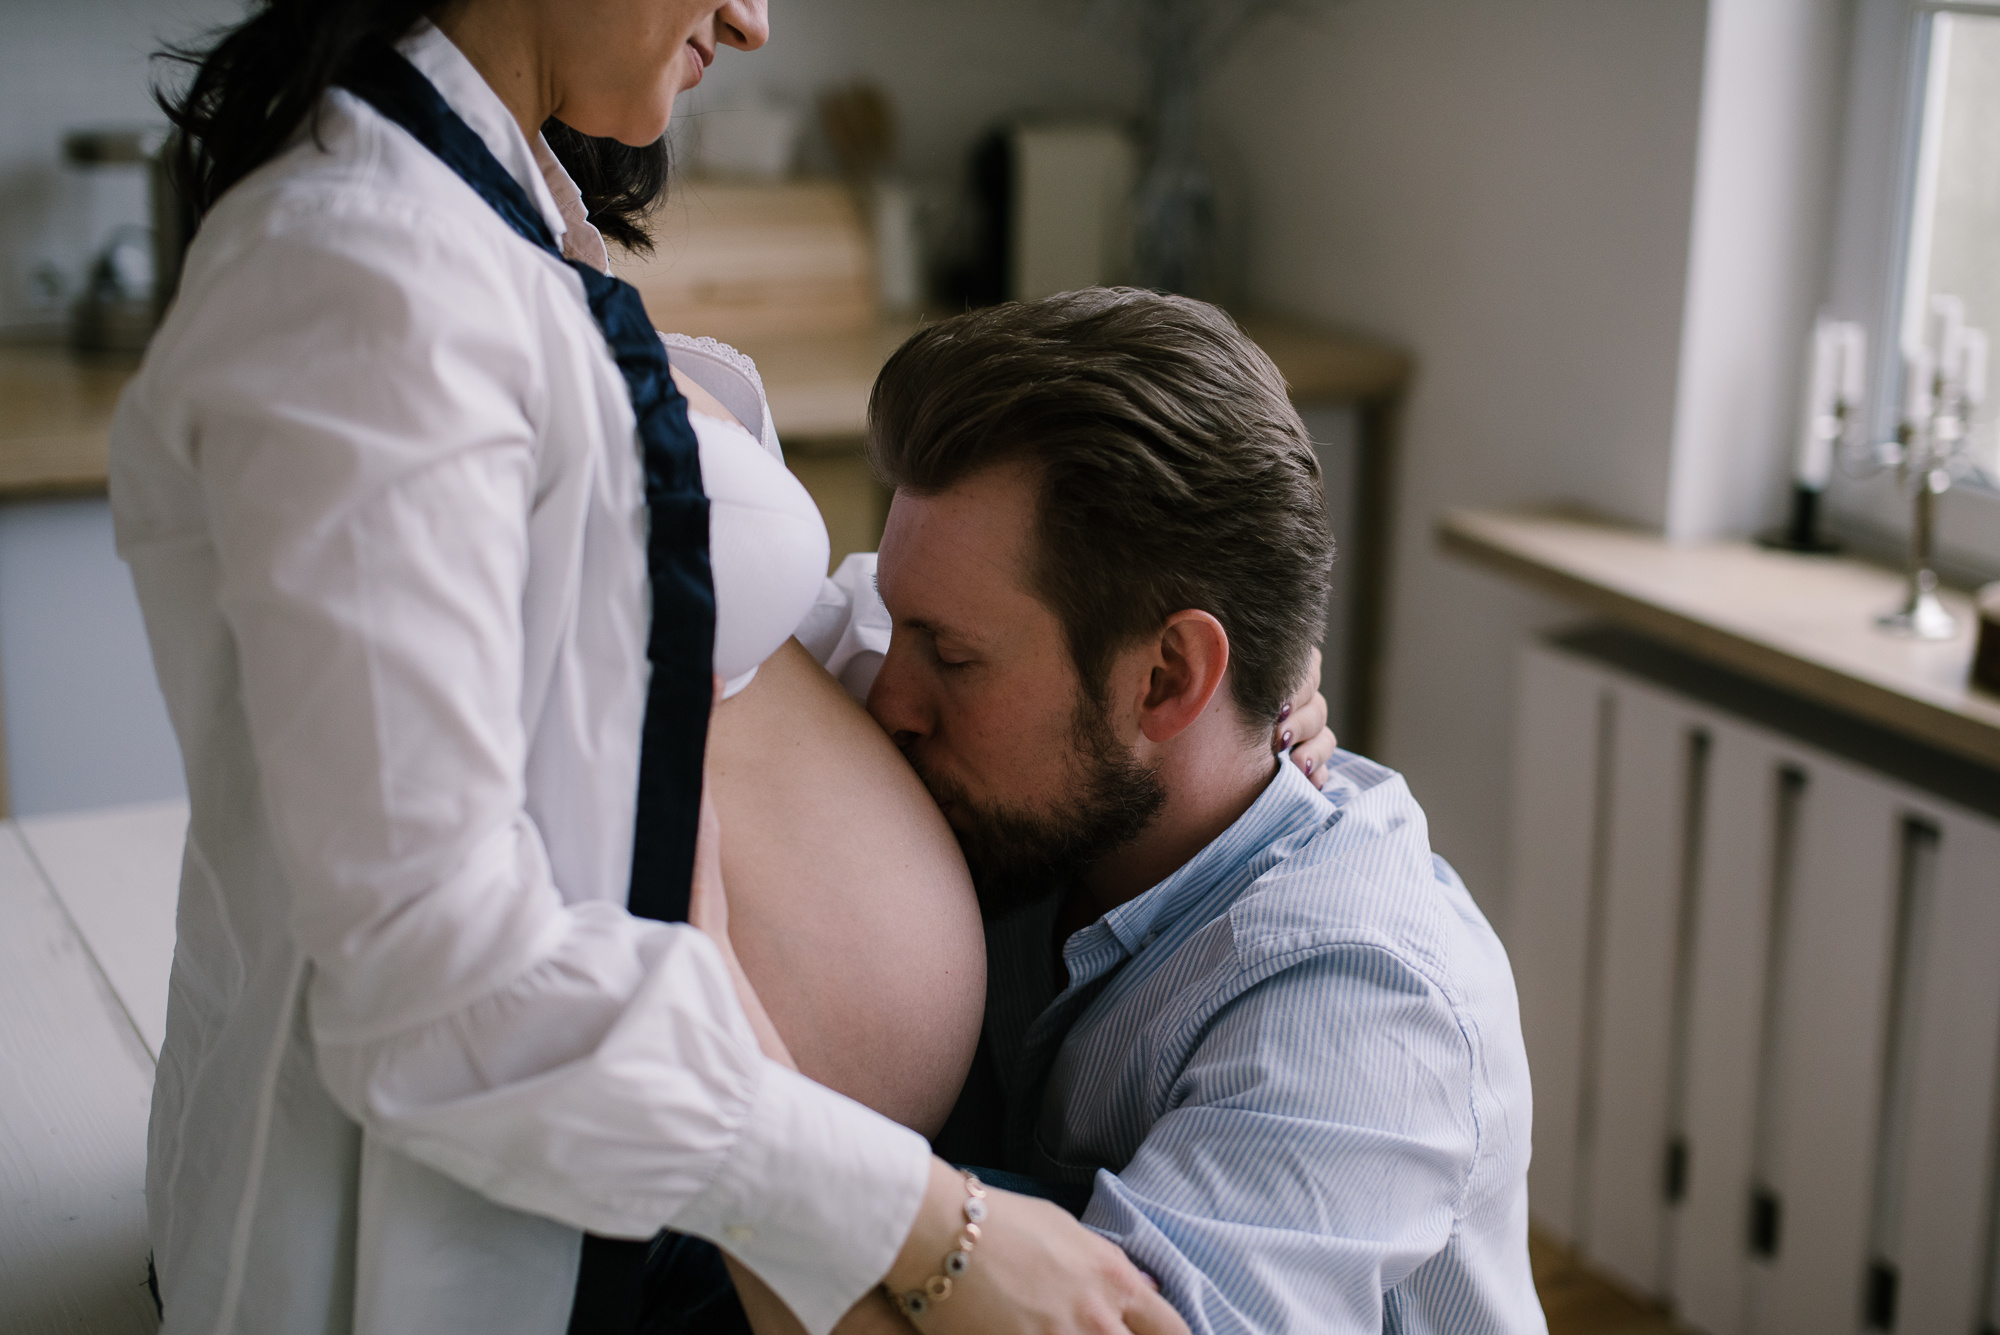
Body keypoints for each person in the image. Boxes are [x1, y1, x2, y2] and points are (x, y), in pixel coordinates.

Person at [119, 3, 1331, 1332]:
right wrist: (930, 1222)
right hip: (484, 1249)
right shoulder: (358, 277)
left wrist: (1185, 696)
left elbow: (680, 635)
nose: (753, 19)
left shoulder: (495, 210)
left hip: (666, 1203)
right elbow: (428, 965)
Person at [704, 290, 1547, 1334]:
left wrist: (727, 1091)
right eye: (902, 627)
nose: (887, 698)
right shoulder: (1053, 766)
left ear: (1166, 679)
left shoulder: (1363, 1016)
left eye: (952, 658)